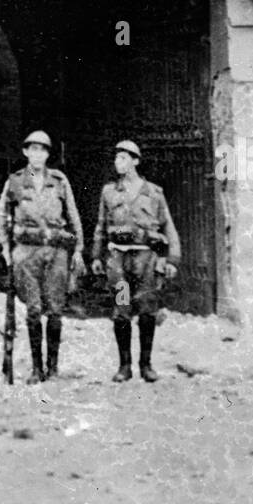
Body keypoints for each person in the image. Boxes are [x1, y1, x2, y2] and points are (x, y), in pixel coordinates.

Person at [0, 130, 84, 382]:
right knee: (33, 309)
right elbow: (1, 215)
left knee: (55, 309)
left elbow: (73, 216)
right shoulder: (15, 181)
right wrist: (6, 249)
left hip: (56, 251)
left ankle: (52, 367)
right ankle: (36, 369)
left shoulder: (59, 181)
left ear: (47, 154)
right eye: (32, 149)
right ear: (25, 152)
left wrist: (78, 250)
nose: (37, 154)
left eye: (42, 150)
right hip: (26, 252)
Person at [92, 140, 180, 382]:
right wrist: (96, 255)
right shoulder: (109, 192)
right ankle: (124, 366)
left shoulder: (153, 193)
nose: (117, 163)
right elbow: (101, 226)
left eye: (123, 158)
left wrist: (172, 259)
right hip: (118, 261)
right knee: (121, 311)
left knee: (147, 310)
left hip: (146, 260)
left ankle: (146, 365)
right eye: (116, 158)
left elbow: (168, 227)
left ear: (135, 161)